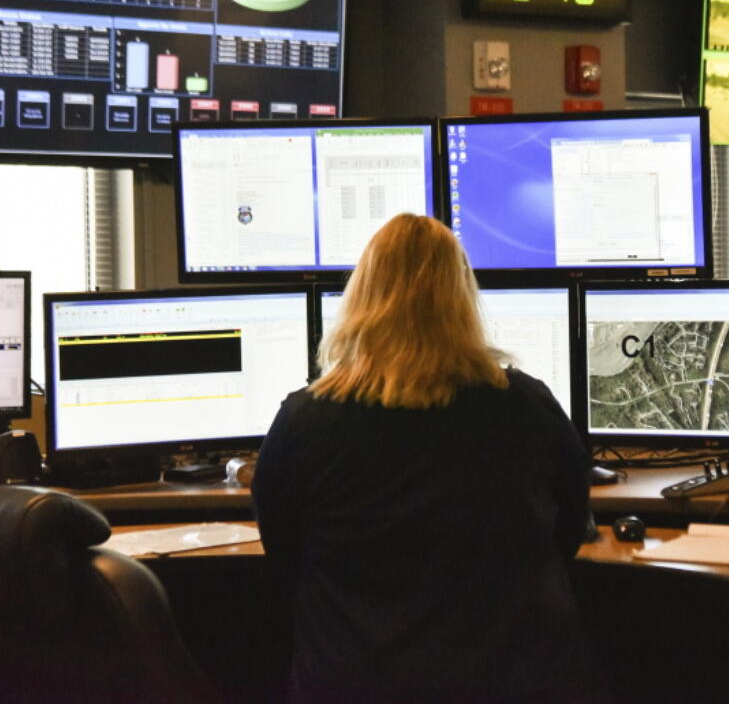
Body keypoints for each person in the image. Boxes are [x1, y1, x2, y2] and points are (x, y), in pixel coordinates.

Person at [253, 213, 603, 704]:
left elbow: (284, 555)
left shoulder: (302, 420)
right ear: (462, 302)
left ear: (360, 300)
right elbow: (568, 529)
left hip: (354, 683)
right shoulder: (527, 404)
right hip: (514, 681)